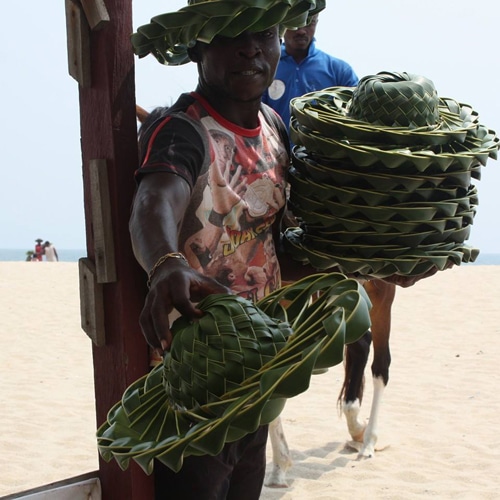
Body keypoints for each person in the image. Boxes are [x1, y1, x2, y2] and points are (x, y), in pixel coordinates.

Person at [129, 2, 438, 498]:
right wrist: (166, 263)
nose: (250, 48)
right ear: (197, 48)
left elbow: (276, 249)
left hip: (258, 372)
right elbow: (155, 201)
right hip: (192, 384)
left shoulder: (274, 128)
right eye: (231, 35)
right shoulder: (182, 131)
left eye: (263, 33)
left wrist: (374, 264)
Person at [262, 13, 358, 131]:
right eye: (296, 23)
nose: (301, 31)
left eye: (309, 23)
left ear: (316, 22)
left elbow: (358, 113)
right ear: (282, 25)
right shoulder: (265, 66)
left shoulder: (340, 70)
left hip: (322, 143)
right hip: (275, 142)